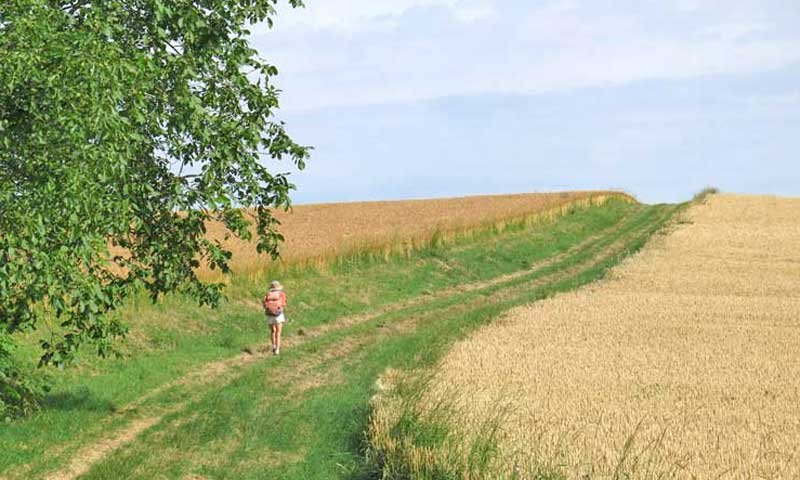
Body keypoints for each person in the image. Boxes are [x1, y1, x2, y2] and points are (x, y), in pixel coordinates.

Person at [263, 280, 288, 355]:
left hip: (269, 314)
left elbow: (264, 303)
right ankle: (277, 349)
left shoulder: (267, 294)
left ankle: (273, 346)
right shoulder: (281, 294)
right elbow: (284, 304)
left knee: (272, 331)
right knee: (278, 332)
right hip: (278, 315)